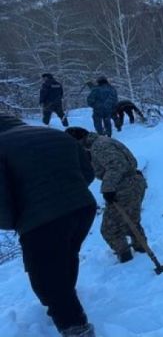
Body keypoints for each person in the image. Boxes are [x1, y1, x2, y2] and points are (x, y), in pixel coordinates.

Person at [0, 114, 96, 337]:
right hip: (82, 207)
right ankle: (66, 303)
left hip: (41, 219)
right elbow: (88, 172)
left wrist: (14, 222)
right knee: (66, 256)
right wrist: (72, 194)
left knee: (46, 275)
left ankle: (75, 327)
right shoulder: (55, 134)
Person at [65, 127, 149, 264]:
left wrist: (108, 189)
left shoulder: (99, 146)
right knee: (131, 219)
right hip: (134, 182)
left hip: (124, 186)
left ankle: (125, 256)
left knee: (109, 229)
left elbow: (116, 166)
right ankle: (141, 249)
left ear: (79, 140)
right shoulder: (100, 142)